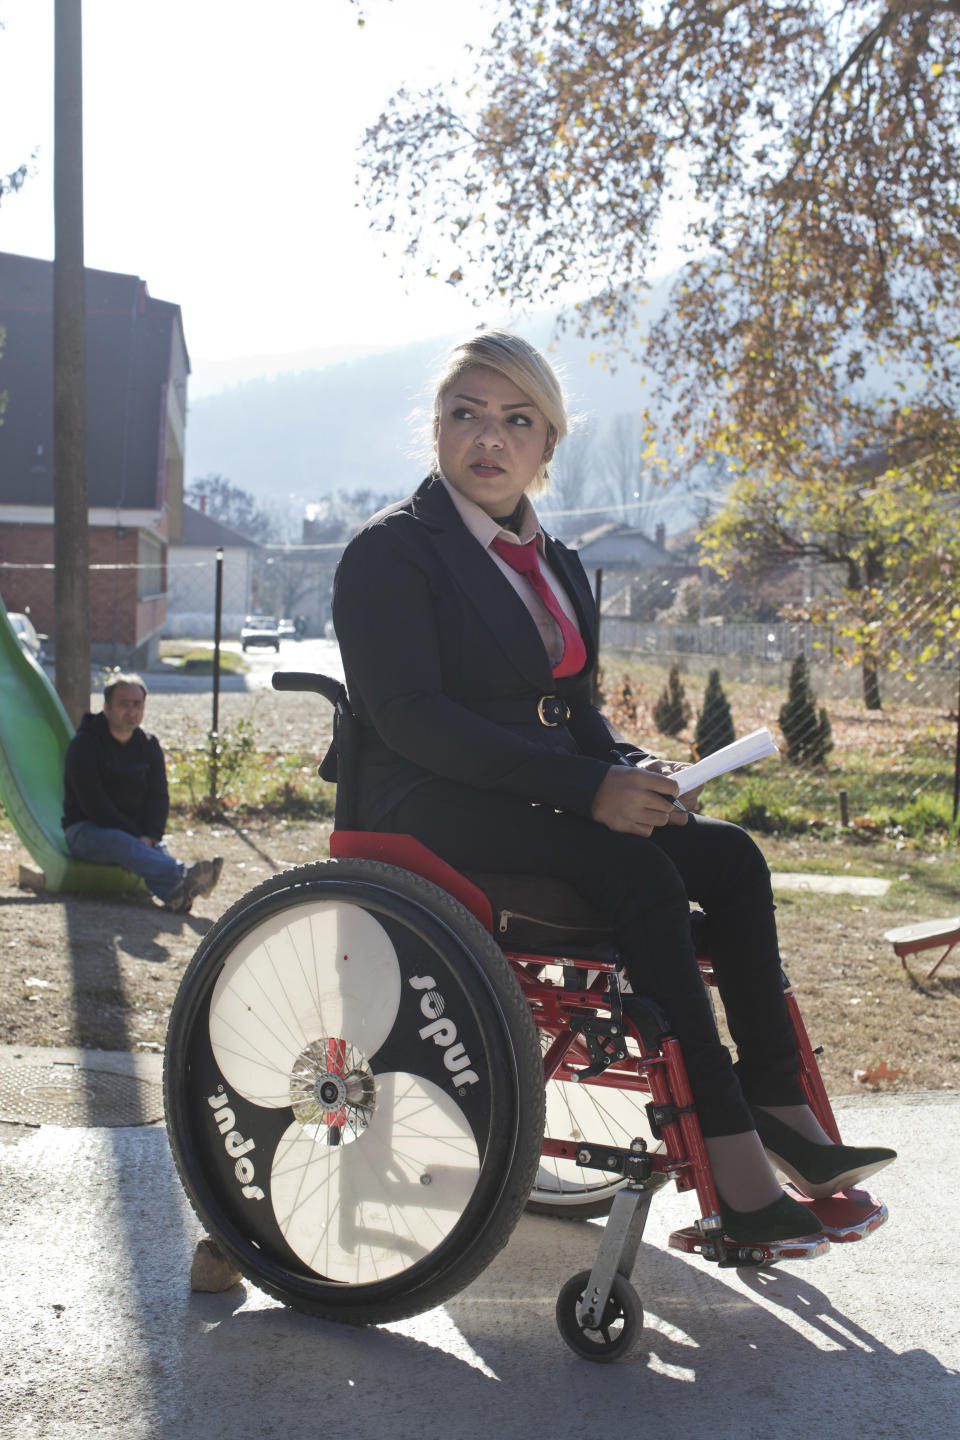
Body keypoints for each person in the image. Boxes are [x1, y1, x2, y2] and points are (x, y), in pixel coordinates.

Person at [331, 329, 896, 1244]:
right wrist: (586, 789)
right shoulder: (390, 553)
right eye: (465, 414)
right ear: (434, 430)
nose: (489, 437)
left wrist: (633, 770)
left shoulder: (552, 559)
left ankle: (777, 1103)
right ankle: (730, 1156)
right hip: (421, 802)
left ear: (547, 445)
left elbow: (574, 716)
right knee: (640, 876)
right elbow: (411, 719)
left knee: (731, 857)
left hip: (536, 794)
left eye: (517, 420)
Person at [62, 673, 223, 914]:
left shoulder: (149, 745)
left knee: (152, 849)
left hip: (137, 837)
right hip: (86, 831)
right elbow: (94, 803)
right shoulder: (84, 745)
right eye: (124, 704)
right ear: (106, 707)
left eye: (137, 705)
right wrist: (135, 839)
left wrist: (149, 837)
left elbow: (159, 797)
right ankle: (185, 873)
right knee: (123, 844)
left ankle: (177, 895)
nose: (131, 711)